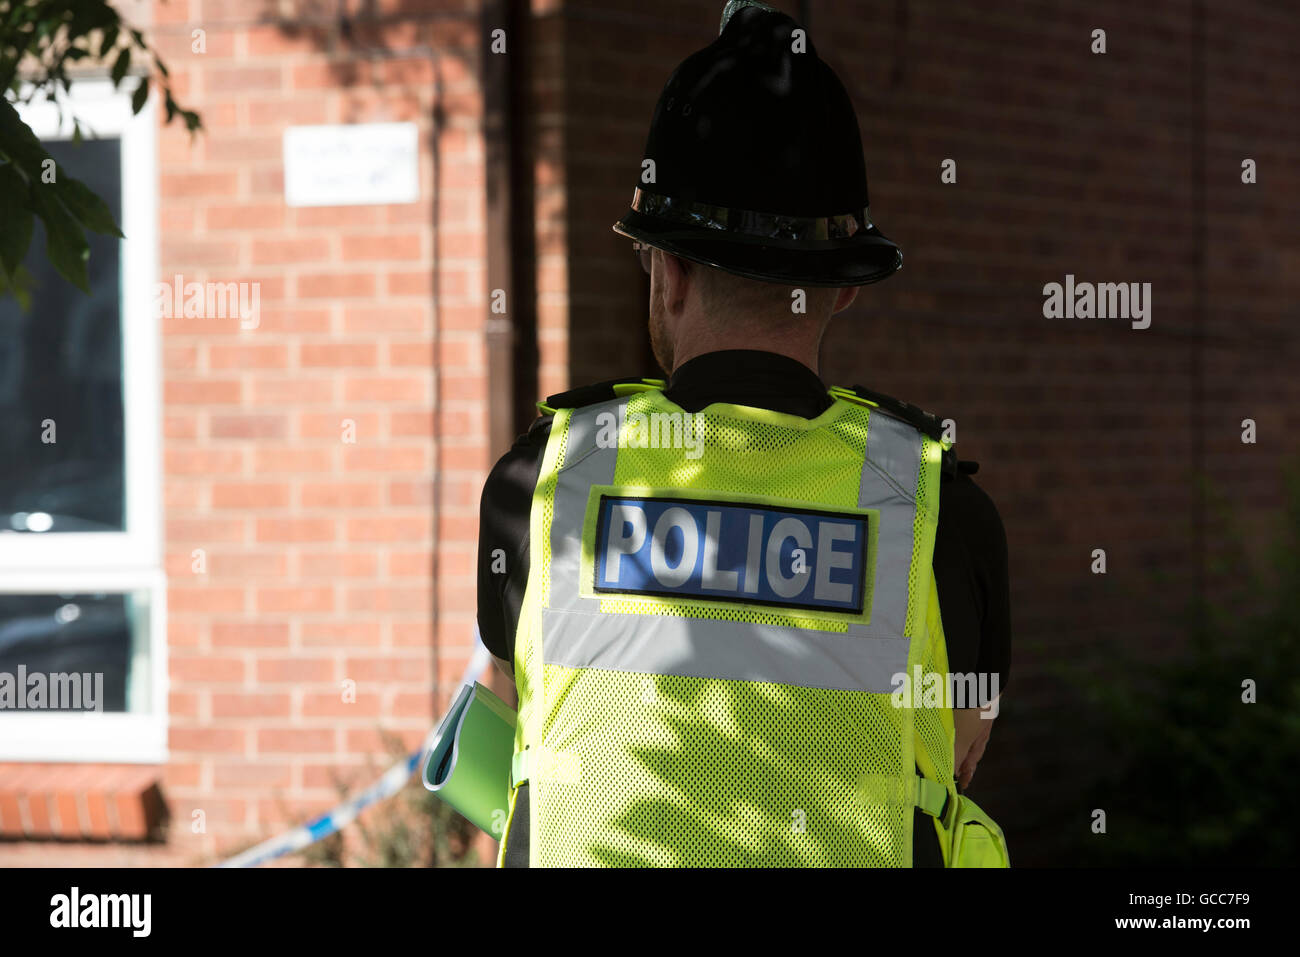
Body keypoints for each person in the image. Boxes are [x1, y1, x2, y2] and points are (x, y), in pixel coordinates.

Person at [476, 0, 1010, 867]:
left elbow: (528, 710)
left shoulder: (537, 484)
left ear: (670, 268)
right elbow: (956, 758)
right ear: (844, 288)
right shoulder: (944, 513)